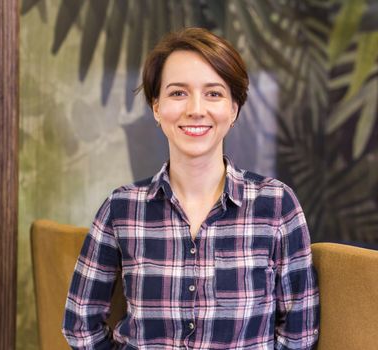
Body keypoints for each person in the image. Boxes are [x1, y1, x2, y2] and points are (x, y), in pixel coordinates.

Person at [62, 27, 319, 349]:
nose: (196, 109)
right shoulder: (121, 208)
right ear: (156, 107)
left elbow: (299, 334)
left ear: (234, 108)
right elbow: (80, 323)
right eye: (178, 93)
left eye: (213, 93)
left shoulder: (277, 204)